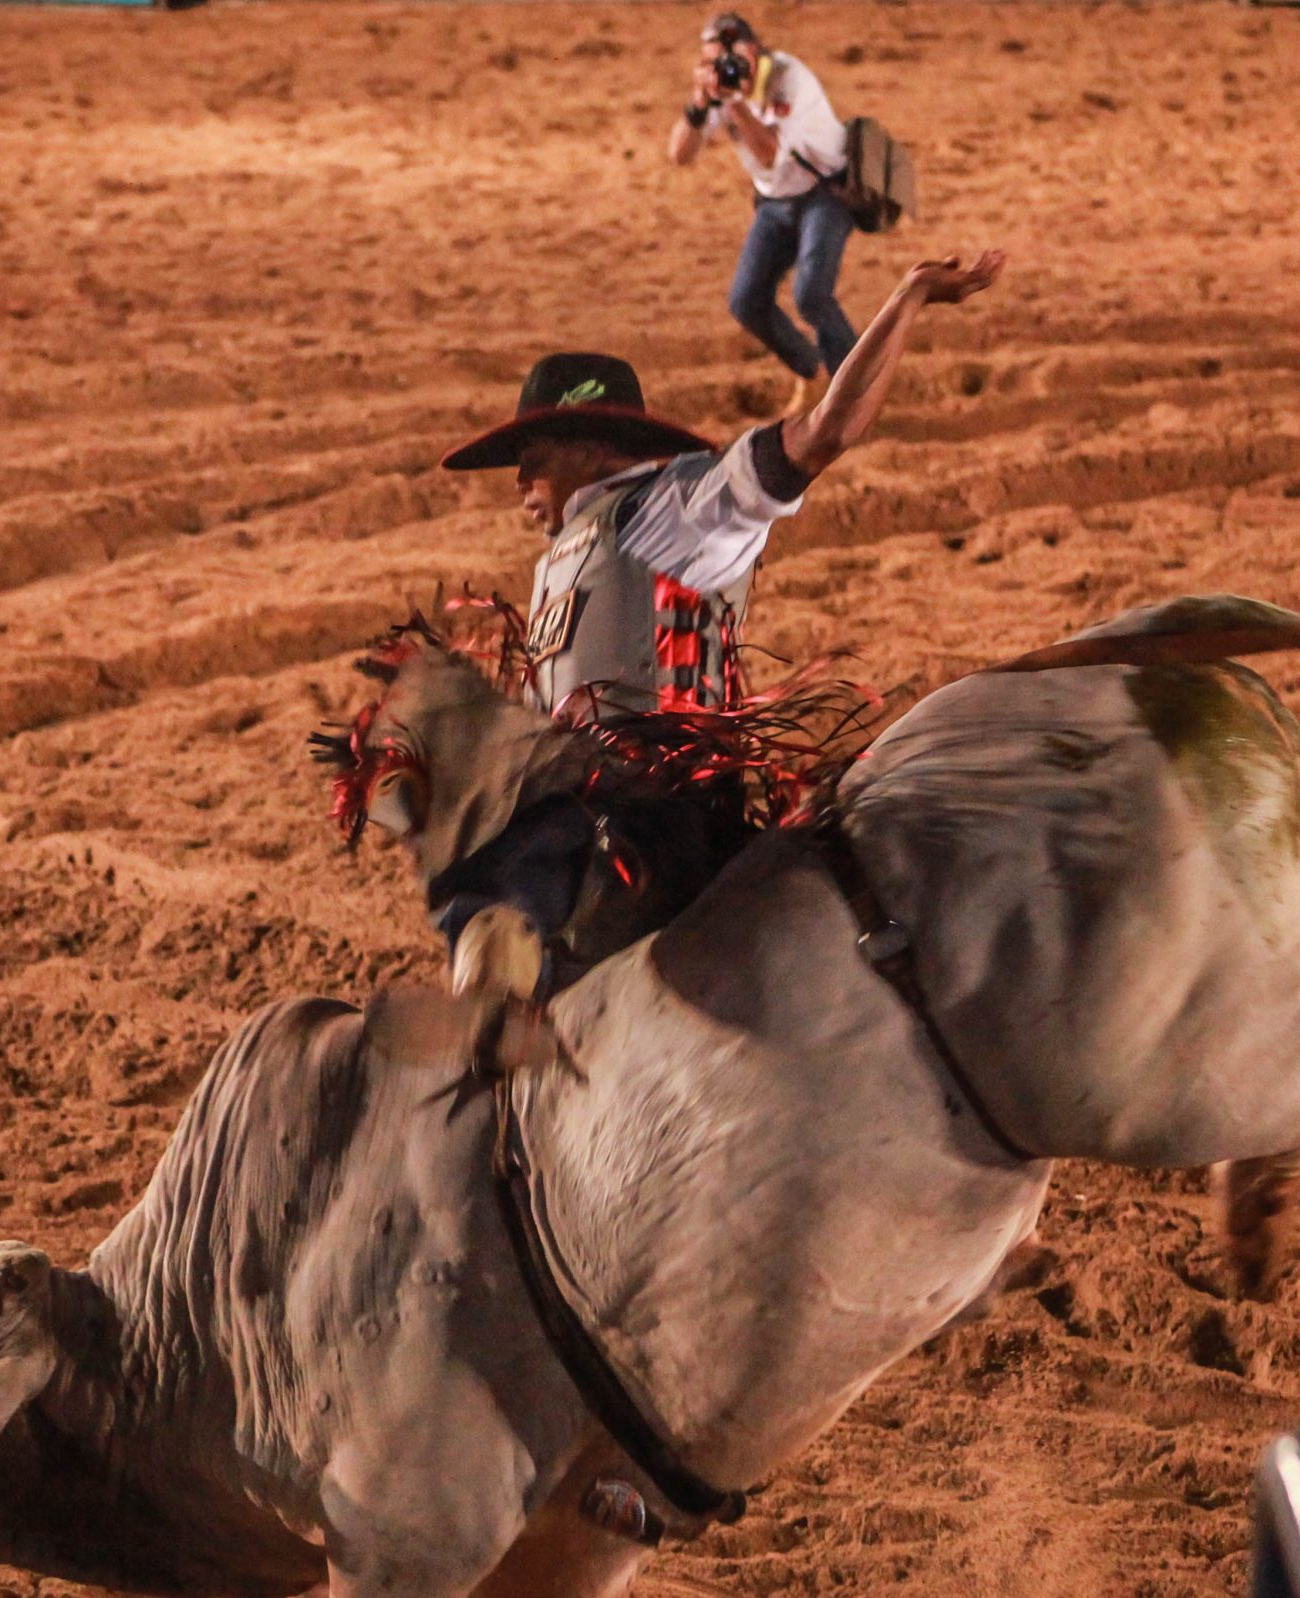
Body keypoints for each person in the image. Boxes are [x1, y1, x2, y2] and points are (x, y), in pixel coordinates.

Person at [429, 248, 1003, 994]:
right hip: (665, 819)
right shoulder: (590, 542)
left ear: (591, 447)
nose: (518, 485)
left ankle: (502, 997)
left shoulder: (667, 513)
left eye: (530, 458)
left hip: (646, 825)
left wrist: (908, 299)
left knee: (484, 858)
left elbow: (822, 434)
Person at [667, 11, 859, 414]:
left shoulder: (789, 79)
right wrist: (699, 103)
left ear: (753, 51)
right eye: (712, 63)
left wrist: (735, 104)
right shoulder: (722, 90)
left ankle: (854, 394)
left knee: (811, 294)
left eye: (729, 60)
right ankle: (811, 373)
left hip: (826, 194)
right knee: (746, 300)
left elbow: (770, 155)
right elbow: (679, 155)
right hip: (774, 203)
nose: (725, 70)